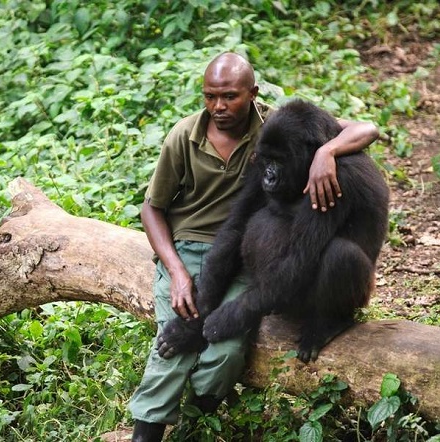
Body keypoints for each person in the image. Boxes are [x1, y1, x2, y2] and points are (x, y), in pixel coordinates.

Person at [129, 52, 379, 441]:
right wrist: (204, 308)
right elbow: (234, 227)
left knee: (337, 256)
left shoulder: (330, 176)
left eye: (229, 96)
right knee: (185, 335)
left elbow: (300, 259)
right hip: (232, 262)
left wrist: (236, 312)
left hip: (329, 282)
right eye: (210, 96)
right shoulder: (231, 141)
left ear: (251, 95)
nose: (270, 173)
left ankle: (331, 321)